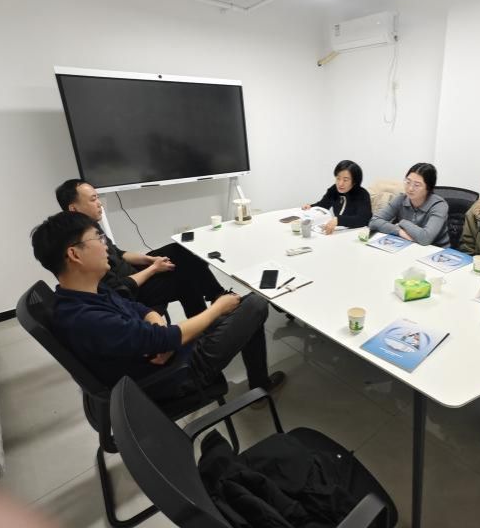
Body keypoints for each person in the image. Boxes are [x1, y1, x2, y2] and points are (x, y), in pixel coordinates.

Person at [30, 211, 285, 398]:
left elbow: (138, 308)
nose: (106, 247)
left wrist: (156, 325)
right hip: (174, 376)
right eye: (98, 239)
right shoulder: (86, 319)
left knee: (236, 304)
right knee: (255, 304)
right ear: (74, 254)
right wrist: (217, 309)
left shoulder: (82, 292)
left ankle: (258, 382)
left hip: (164, 355)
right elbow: (161, 339)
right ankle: (259, 388)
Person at [56, 179, 224, 318]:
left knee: (180, 250)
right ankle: (207, 324)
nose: (100, 204)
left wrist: (149, 260)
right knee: (186, 276)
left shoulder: (90, 226)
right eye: (93, 200)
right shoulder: (82, 244)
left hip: (131, 271)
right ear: (73, 208)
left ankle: (217, 295)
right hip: (132, 291)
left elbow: (118, 253)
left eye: (98, 198)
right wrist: (153, 269)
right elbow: (117, 288)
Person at [368, 162, 450, 247]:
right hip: (409, 245)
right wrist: (399, 231)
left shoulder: (439, 206)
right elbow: (374, 221)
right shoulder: (401, 199)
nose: (410, 188)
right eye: (408, 182)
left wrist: (402, 222)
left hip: (436, 250)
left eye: (417, 185)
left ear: (428, 187)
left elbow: (425, 238)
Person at [302, 160, 372, 234]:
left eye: (345, 180)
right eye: (338, 178)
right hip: (338, 232)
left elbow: (363, 219)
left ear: (354, 181)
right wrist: (311, 206)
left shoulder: (362, 194)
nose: (340, 184)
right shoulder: (334, 189)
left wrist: (338, 220)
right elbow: (323, 205)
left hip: (357, 233)